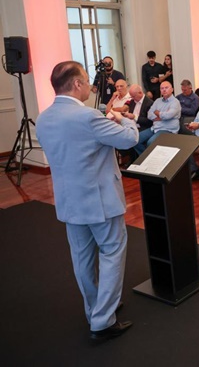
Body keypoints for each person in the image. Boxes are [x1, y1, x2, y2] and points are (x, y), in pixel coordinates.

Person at [35, 61, 138, 340]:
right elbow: (129, 140)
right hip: (100, 200)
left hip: (69, 201)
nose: (91, 86)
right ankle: (104, 319)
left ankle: (95, 310)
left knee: (82, 259)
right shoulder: (89, 117)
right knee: (112, 252)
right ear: (77, 84)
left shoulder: (43, 119)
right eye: (87, 80)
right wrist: (123, 120)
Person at [133, 81, 181, 155]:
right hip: (155, 128)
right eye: (162, 88)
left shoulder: (175, 102)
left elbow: (168, 115)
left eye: (166, 88)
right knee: (134, 140)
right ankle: (146, 158)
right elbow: (149, 114)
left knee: (151, 143)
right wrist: (161, 116)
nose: (164, 90)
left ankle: (149, 158)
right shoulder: (157, 101)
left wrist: (158, 113)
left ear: (172, 89)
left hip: (168, 129)